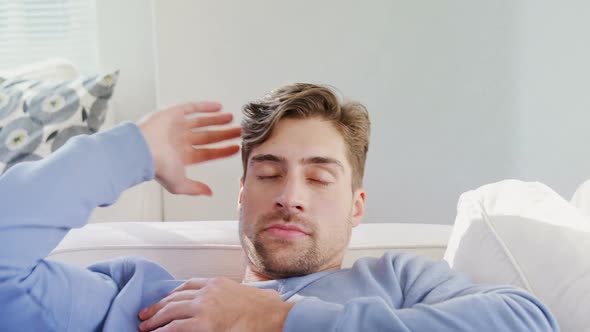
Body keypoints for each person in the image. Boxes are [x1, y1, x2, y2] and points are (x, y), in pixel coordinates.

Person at [0, 83, 558, 332]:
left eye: (319, 177)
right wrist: (129, 152)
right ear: (242, 195)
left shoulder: (401, 283)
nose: (291, 194)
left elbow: (527, 323)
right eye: (269, 173)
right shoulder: (148, 299)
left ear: (356, 206)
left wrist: (280, 320)